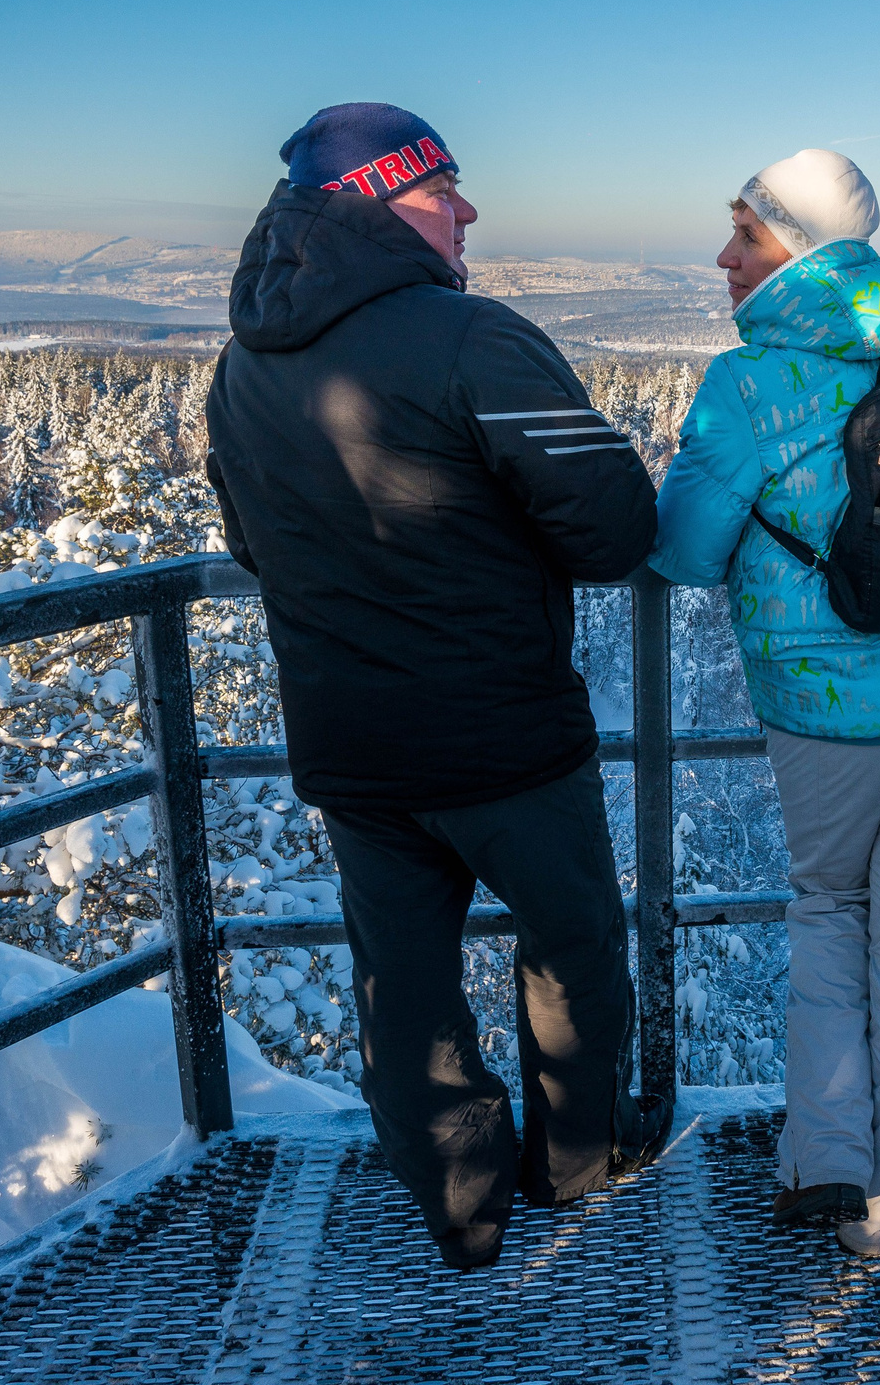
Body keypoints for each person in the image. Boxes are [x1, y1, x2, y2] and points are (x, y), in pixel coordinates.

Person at [204, 102, 670, 1272]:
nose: (467, 209)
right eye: (441, 189)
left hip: (352, 743)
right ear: (374, 203)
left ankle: (460, 1204)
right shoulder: (470, 338)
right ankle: (572, 1164)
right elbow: (613, 526)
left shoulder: (240, 364)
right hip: (502, 736)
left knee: (401, 982)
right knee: (571, 948)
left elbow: (253, 542)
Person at [647, 149, 880, 1258]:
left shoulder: (744, 383)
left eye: (745, 233)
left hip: (829, 706)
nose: (723, 253)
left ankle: (830, 1167)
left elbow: (685, 549)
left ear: (795, 247)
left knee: (829, 912)